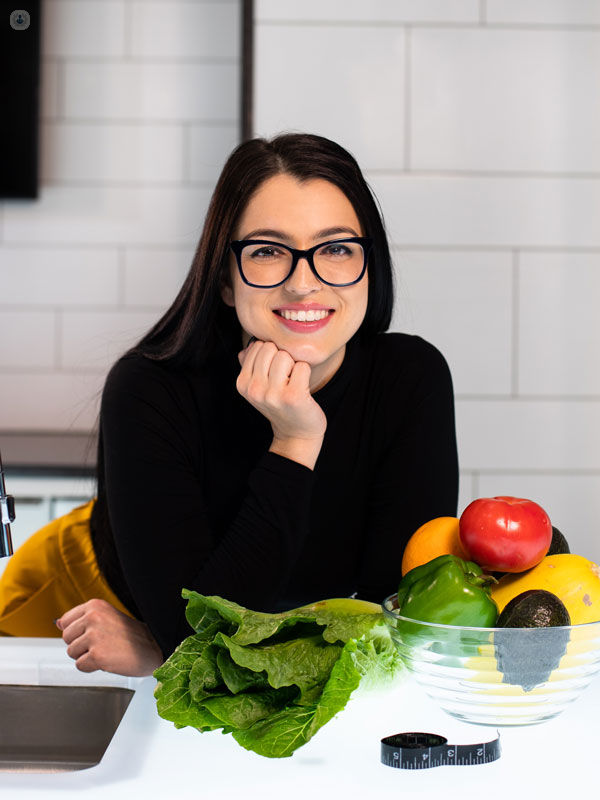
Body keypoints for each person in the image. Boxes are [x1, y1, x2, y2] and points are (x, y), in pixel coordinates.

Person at [0, 133, 458, 676]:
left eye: (336, 248)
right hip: (82, 612)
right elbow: (197, 639)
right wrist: (295, 442)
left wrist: (166, 649)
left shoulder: (411, 378)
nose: (304, 282)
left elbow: (395, 628)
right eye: (267, 251)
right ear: (224, 277)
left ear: (369, 264)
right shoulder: (148, 389)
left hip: (184, 646)